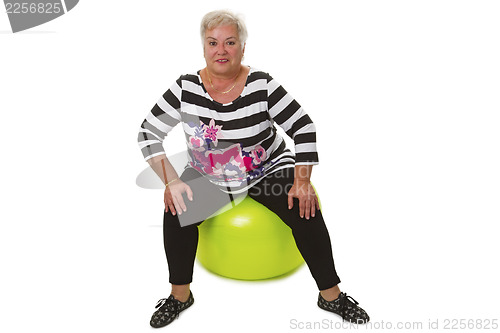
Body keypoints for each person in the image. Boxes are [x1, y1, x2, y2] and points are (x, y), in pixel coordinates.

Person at [138, 10, 370, 328]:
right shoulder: (185, 87)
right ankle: (180, 296)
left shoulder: (261, 84)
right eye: (213, 43)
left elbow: (303, 127)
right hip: (212, 174)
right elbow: (148, 131)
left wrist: (301, 182)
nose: (221, 50)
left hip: (266, 168)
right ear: (204, 48)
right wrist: (172, 180)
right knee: (175, 211)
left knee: (305, 209)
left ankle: (331, 295)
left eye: (230, 42)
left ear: (242, 47)